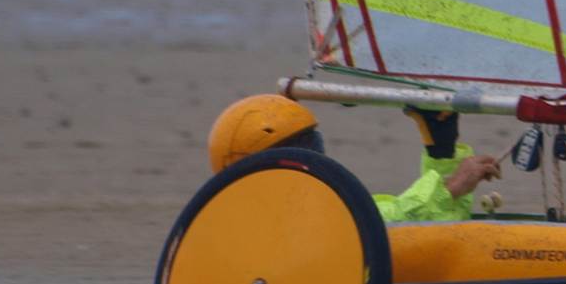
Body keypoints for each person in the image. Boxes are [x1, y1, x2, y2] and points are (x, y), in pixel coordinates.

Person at [205, 94, 500, 222]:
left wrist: (442, 152)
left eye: (311, 146)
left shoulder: (321, 207)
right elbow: (383, 227)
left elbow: (428, 230)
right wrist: (451, 188)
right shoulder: (280, 224)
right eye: (295, 151)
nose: (311, 162)